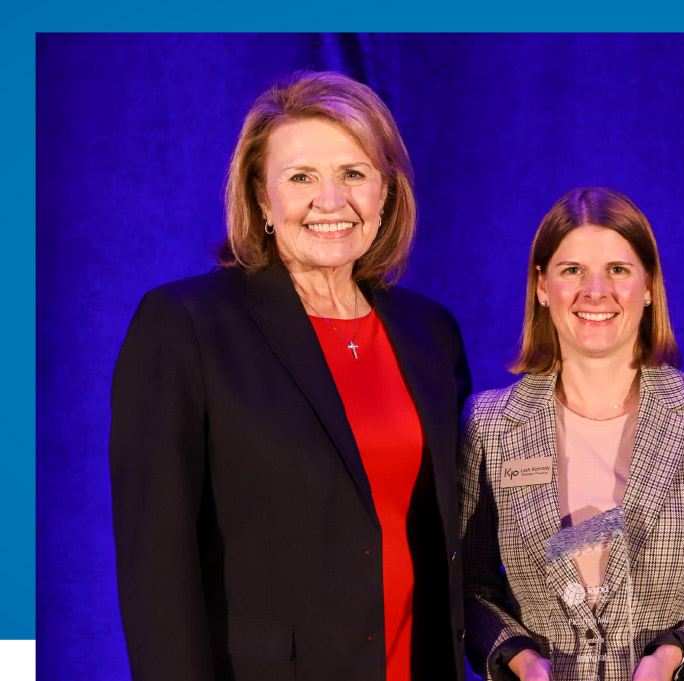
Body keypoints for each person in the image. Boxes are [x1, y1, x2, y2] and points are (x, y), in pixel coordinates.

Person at [110, 71, 470, 681]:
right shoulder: (185, 326)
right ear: (260, 197)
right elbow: (156, 565)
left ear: (386, 192)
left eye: (354, 174)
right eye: (301, 177)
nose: (331, 201)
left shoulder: (430, 331)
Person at [459, 187, 684, 681]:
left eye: (618, 270)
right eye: (572, 271)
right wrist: (518, 658)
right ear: (542, 287)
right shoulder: (490, 425)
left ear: (648, 286)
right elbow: (470, 587)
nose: (595, 291)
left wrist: (676, 659)